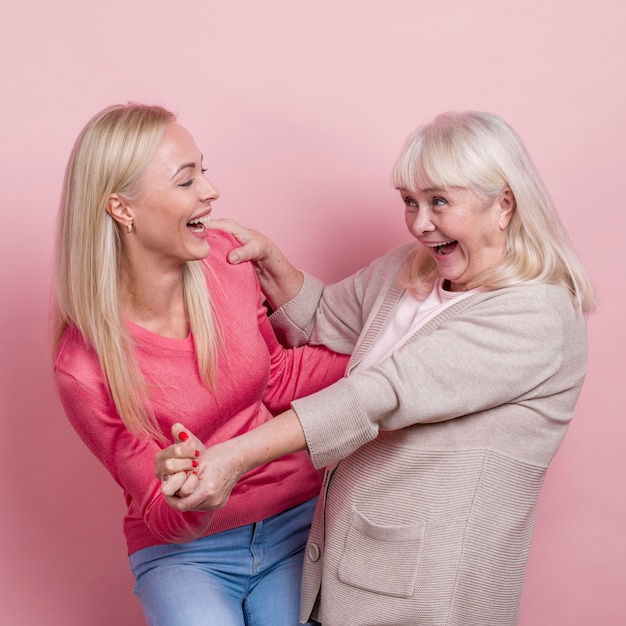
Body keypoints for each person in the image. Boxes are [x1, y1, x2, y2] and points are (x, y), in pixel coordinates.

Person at [156, 111, 595, 626]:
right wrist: (271, 261)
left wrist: (235, 457)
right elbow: (324, 316)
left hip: (432, 593)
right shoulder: (410, 269)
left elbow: (380, 394)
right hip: (344, 570)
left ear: (503, 205)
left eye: (439, 202)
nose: (419, 223)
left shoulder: (536, 314)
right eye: (410, 202)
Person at [51, 103, 349, 626]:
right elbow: (162, 513)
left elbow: (277, 379)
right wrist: (195, 494)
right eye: (187, 180)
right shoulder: (82, 365)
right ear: (123, 210)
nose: (210, 193)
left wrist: (396, 345)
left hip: (294, 527)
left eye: (203, 173)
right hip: (186, 556)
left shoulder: (228, 264)